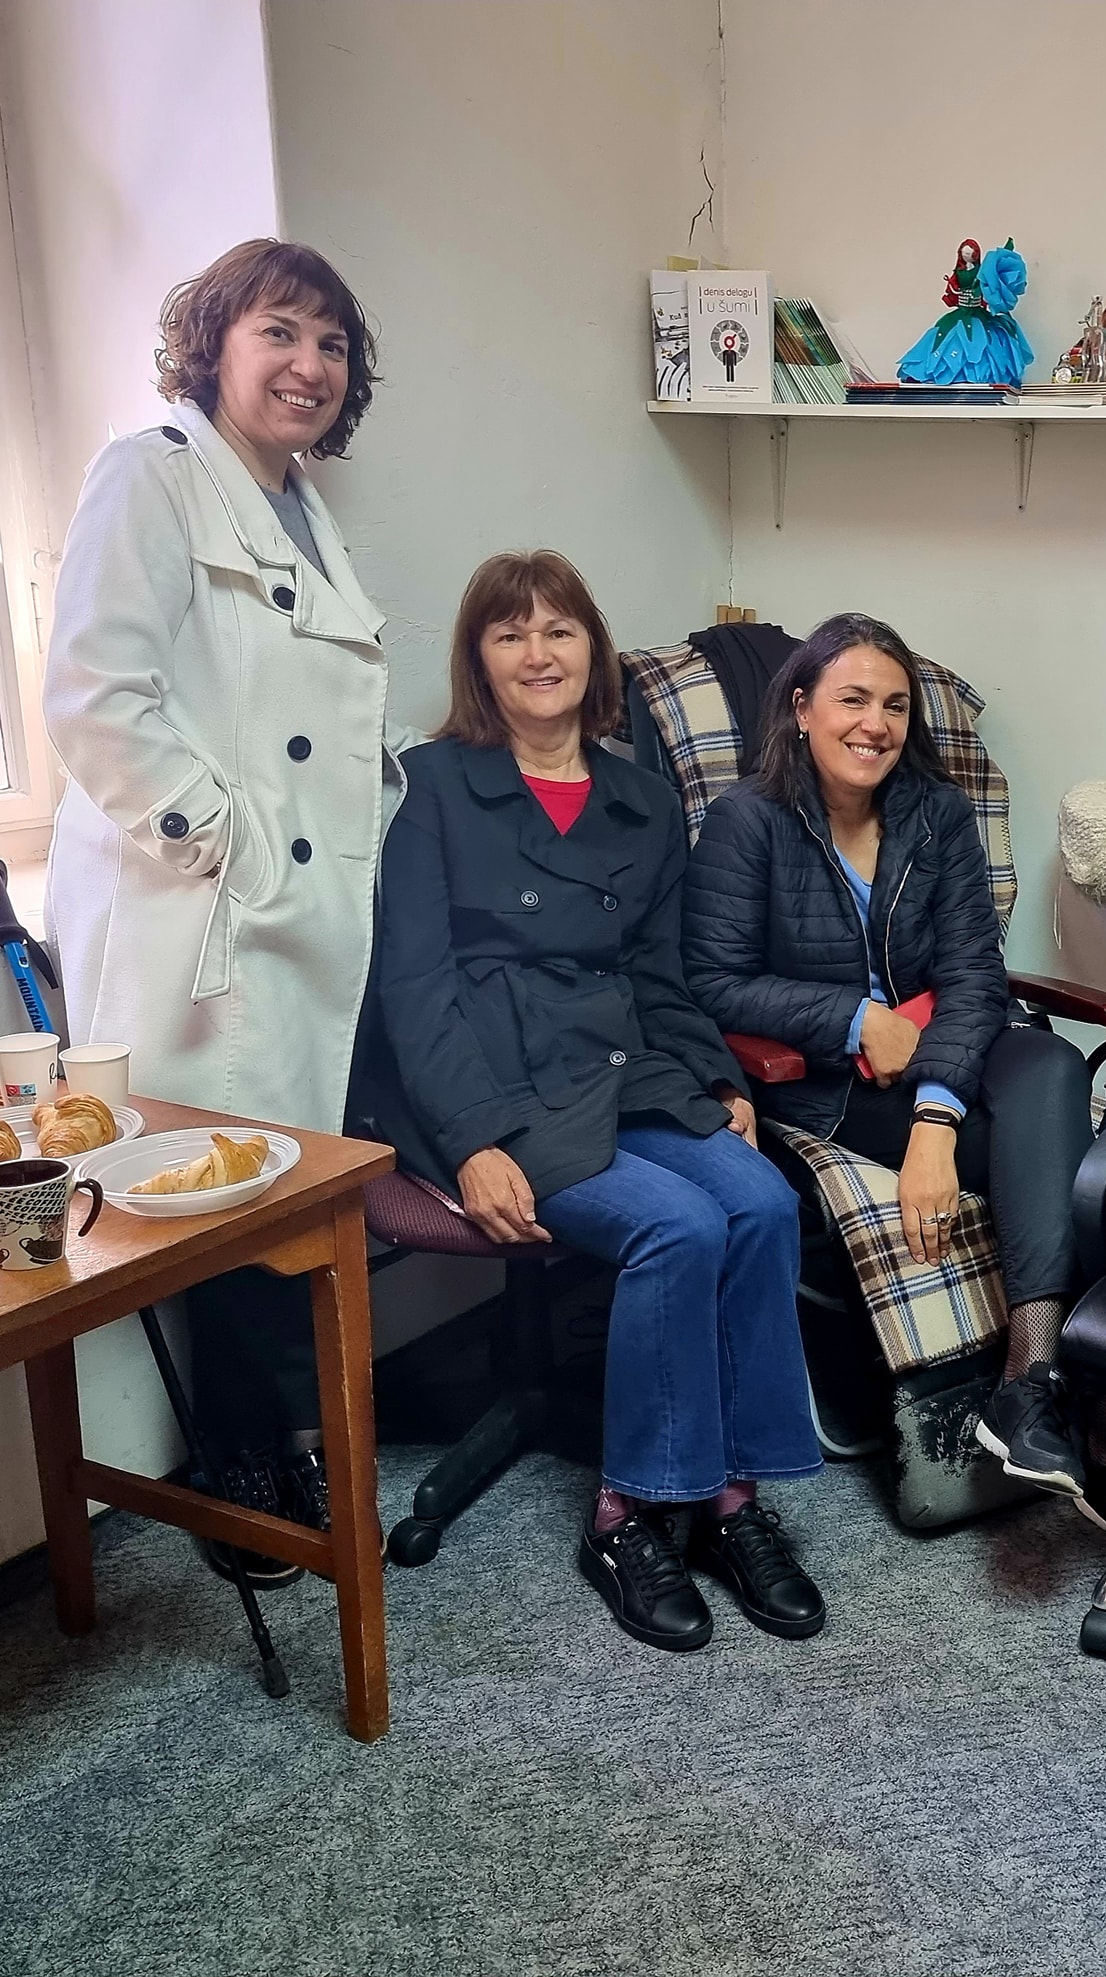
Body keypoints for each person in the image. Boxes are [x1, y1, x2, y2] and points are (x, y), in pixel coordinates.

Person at [358, 551, 821, 1651]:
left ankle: (729, 1499)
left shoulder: (643, 801)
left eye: (558, 629)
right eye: (509, 632)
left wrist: (714, 1077)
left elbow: (659, 973)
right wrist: (472, 1141)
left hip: (622, 1063)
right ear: (478, 659)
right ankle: (628, 1516)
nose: (538, 653)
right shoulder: (429, 788)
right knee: (677, 1227)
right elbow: (413, 990)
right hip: (489, 1082)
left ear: (592, 651)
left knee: (762, 1201)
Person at [42, 239, 409, 1582]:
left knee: (272, 1180)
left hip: (293, 906)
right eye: (279, 333)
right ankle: (242, 1458)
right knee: (215, 1183)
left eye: (332, 344)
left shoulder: (299, 504)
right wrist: (223, 840)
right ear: (213, 345)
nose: (309, 366)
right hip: (192, 904)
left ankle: (272, 1439)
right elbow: (95, 696)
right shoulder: (151, 473)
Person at [680, 612, 1095, 1493]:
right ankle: (1046, 1384)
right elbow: (712, 980)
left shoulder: (937, 813)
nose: (876, 724)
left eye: (896, 706)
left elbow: (974, 972)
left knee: (1055, 1068)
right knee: (1057, 1156)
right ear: (801, 708)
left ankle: (1028, 1383)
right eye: (853, 699)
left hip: (944, 1054)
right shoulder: (746, 821)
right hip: (827, 1083)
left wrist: (936, 1121)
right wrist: (853, 1018)